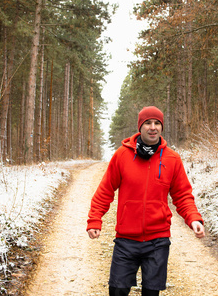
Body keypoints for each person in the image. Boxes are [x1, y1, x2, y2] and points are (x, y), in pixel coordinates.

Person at [87, 106, 205, 296]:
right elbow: (105, 190)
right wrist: (95, 219)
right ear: (140, 127)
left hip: (158, 240)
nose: (153, 127)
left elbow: (182, 195)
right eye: (148, 123)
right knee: (117, 290)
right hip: (126, 239)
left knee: (151, 293)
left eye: (157, 123)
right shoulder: (122, 156)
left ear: (162, 127)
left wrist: (194, 219)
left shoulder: (172, 159)